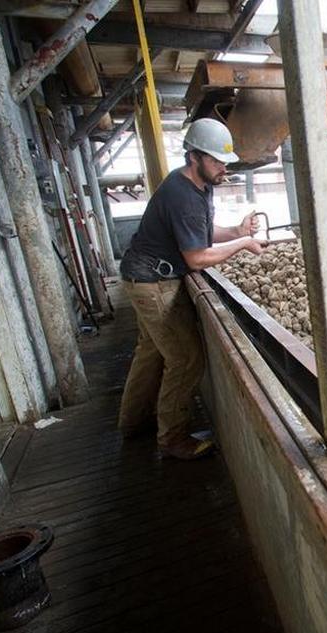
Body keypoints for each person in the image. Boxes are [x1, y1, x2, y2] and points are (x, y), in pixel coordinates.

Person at [117, 118, 267, 460]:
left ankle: (132, 422)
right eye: (215, 160)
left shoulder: (201, 185)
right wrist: (244, 242)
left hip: (145, 276)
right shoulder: (180, 193)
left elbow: (199, 231)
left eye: (224, 160)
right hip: (152, 283)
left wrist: (236, 230)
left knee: (151, 351)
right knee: (185, 358)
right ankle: (171, 438)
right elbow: (197, 257)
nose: (222, 167)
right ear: (193, 157)